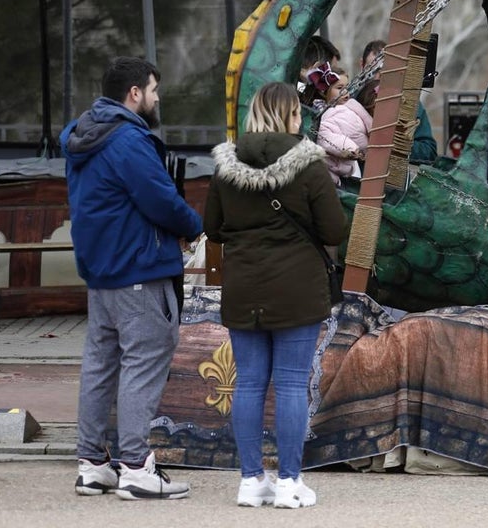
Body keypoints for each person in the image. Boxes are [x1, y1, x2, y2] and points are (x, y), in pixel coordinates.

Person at [60, 56, 202, 500]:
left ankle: (93, 465)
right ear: (135, 93)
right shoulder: (128, 140)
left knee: (100, 365)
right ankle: (137, 468)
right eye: (154, 90)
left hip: (100, 270)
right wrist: (195, 225)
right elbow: (161, 200)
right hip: (139, 268)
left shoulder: (82, 135)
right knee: (144, 360)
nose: (157, 99)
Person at [205, 82, 347, 508]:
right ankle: (288, 482)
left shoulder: (226, 165)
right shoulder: (309, 164)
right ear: (291, 115)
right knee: (289, 383)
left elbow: (212, 228)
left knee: (248, 383)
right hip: (297, 288)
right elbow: (334, 230)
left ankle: (251, 481)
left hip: (243, 285)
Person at [361, 39, 438, 164]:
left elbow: (429, 152)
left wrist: (398, 143)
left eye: (385, 71)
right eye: (373, 71)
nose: (378, 76)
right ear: (362, 65)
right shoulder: (349, 101)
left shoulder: (409, 104)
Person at [307, 62, 375, 186]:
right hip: (335, 164)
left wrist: (374, 131)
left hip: (353, 164)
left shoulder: (352, 105)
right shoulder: (321, 114)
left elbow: (367, 119)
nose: (345, 93)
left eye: (347, 88)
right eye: (339, 88)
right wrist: (350, 148)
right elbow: (328, 137)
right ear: (324, 92)